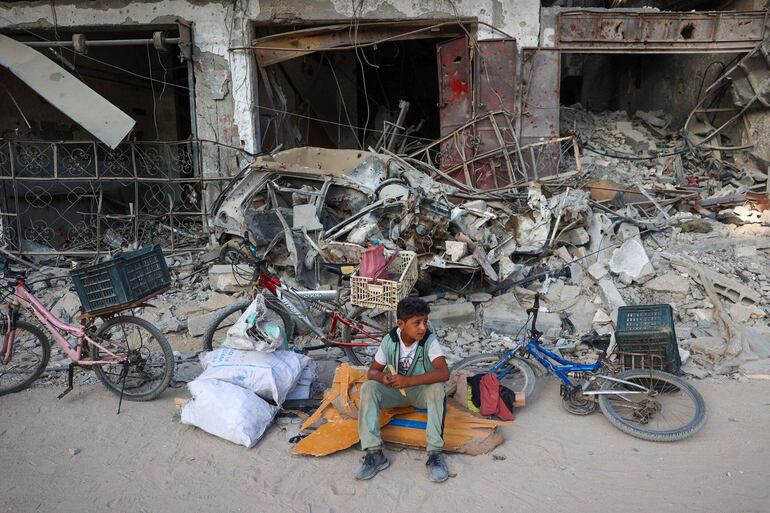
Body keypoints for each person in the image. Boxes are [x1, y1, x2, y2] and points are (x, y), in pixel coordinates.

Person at [354, 297, 451, 483]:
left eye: (425, 321)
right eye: (417, 323)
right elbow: (372, 371)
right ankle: (374, 453)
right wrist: (383, 377)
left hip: (419, 392)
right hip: (396, 393)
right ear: (401, 324)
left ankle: (435, 454)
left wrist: (409, 380)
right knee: (369, 388)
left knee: (437, 389)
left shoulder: (429, 341)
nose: (423, 327)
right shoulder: (389, 341)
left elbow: (444, 372)